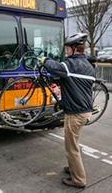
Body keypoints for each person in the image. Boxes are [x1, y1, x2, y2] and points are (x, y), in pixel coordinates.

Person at [41, 33, 96, 188]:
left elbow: (55, 67)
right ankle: (72, 168)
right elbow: (71, 80)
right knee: (72, 144)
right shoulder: (87, 66)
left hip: (76, 114)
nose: (65, 51)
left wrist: (44, 60)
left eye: (67, 48)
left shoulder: (71, 65)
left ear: (74, 49)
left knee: (72, 148)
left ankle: (79, 180)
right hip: (83, 111)